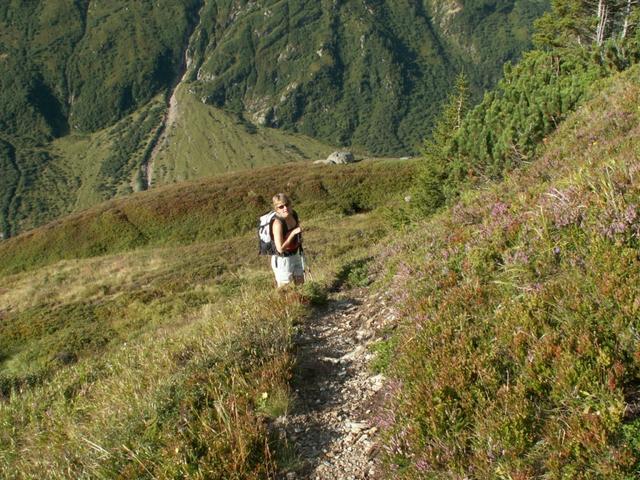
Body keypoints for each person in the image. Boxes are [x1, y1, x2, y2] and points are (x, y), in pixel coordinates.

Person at [270, 193, 304, 287]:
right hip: (283, 259)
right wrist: (293, 234)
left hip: (296, 254)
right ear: (276, 209)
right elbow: (280, 249)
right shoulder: (277, 224)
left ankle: (302, 301)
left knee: (300, 283)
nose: (285, 208)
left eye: (287, 204)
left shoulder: (293, 214)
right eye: (281, 207)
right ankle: (281, 302)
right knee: (284, 289)